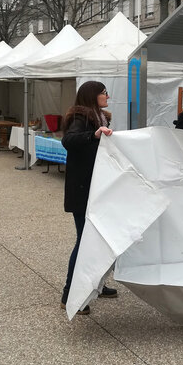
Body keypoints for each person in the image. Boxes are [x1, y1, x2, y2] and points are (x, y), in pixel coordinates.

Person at [60, 81, 118, 315]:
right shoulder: (81, 118)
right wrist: (93, 135)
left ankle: (97, 284)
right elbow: (69, 141)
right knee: (84, 242)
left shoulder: (100, 117)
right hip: (83, 192)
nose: (107, 96)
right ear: (92, 96)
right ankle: (68, 294)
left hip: (97, 189)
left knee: (101, 240)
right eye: (104, 93)